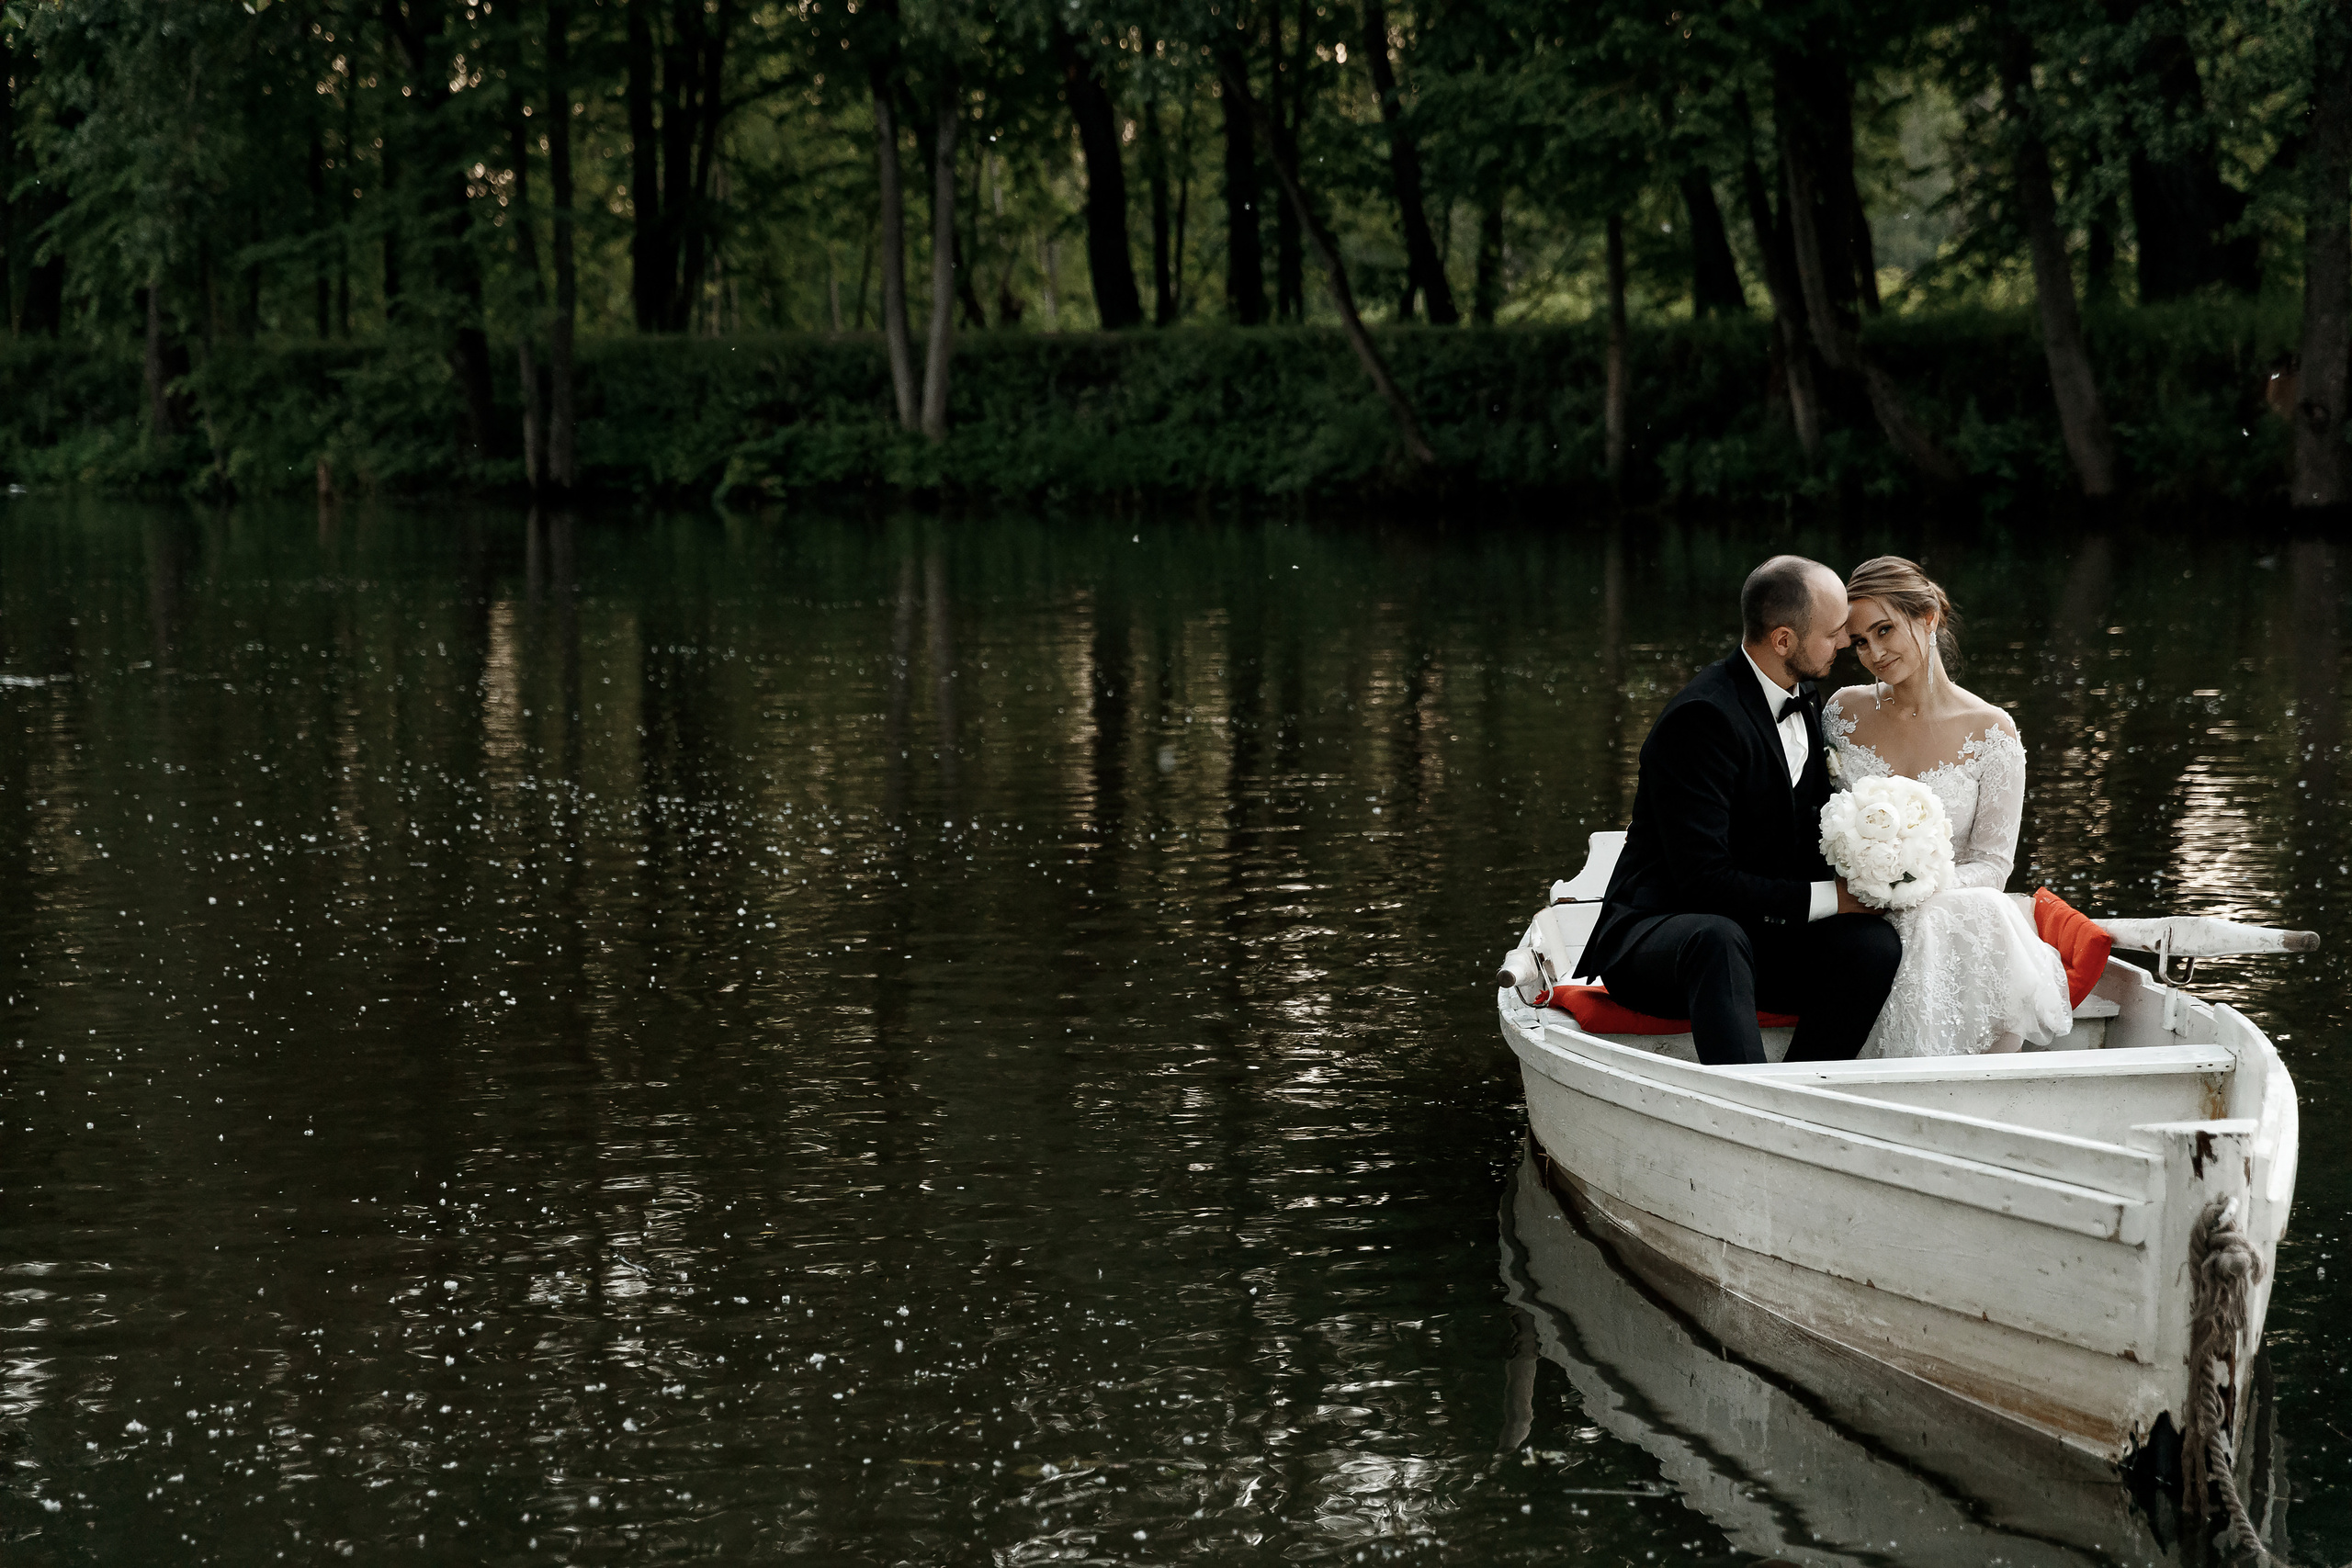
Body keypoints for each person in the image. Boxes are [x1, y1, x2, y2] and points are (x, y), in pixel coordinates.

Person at [1576, 556, 1902, 1066]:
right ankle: (1750, 1109)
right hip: (1662, 937)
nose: (1845, 643)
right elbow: (1702, 883)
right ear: (1783, 641)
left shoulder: (1806, 699)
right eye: (1834, 632)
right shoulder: (1701, 719)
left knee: (1872, 946)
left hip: (1757, 936)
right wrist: (1833, 898)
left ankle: (1804, 1094)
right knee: (1716, 937)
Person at [1826, 557, 2074, 1056]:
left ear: (1928, 616)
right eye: (1859, 642)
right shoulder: (1842, 713)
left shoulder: (1992, 731)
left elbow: (1993, 863)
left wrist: (1919, 885)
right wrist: (1871, 881)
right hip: (1857, 911)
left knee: (1971, 908)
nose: (1873, 652)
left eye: (1884, 630)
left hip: (1948, 907)